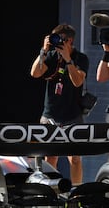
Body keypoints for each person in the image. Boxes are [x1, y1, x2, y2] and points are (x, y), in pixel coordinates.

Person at [30, 23, 88, 184]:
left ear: (70, 41)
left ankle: (76, 191)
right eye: (55, 39)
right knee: (50, 157)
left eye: (61, 40)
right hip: (51, 115)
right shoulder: (52, 56)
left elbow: (77, 82)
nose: (58, 43)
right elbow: (35, 73)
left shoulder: (80, 58)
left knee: (75, 158)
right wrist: (44, 50)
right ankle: (51, 191)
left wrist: (68, 60)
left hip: (72, 115)